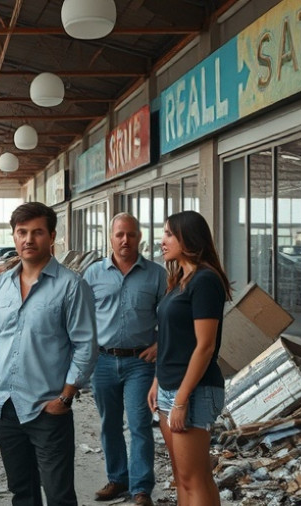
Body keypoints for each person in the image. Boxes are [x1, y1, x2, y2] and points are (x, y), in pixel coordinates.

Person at [0, 202, 98, 506]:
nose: (28, 239)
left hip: (47, 408)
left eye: (37, 232)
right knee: (22, 492)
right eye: (22, 232)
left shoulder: (71, 286)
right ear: (14, 236)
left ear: (52, 236)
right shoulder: (3, 283)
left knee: (58, 496)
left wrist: (66, 397)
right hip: (5, 406)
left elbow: (85, 345)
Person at [147, 210, 232, 506]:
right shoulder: (180, 279)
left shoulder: (205, 281)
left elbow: (205, 346)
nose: (162, 241)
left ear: (188, 238)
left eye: (169, 234)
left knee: (193, 479)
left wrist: (181, 400)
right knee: (185, 476)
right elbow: (171, 339)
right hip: (172, 386)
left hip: (193, 391)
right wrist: (158, 380)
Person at [83, 213, 166, 506]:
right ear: (110, 237)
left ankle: (141, 488)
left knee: (140, 424)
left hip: (140, 363)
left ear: (139, 237)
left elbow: (169, 317)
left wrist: (160, 343)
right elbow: (82, 319)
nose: (125, 240)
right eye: (119, 234)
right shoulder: (93, 274)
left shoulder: (157, 274)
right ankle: (118, 479)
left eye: (130, 234)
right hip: (103, 362)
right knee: (109, 424)